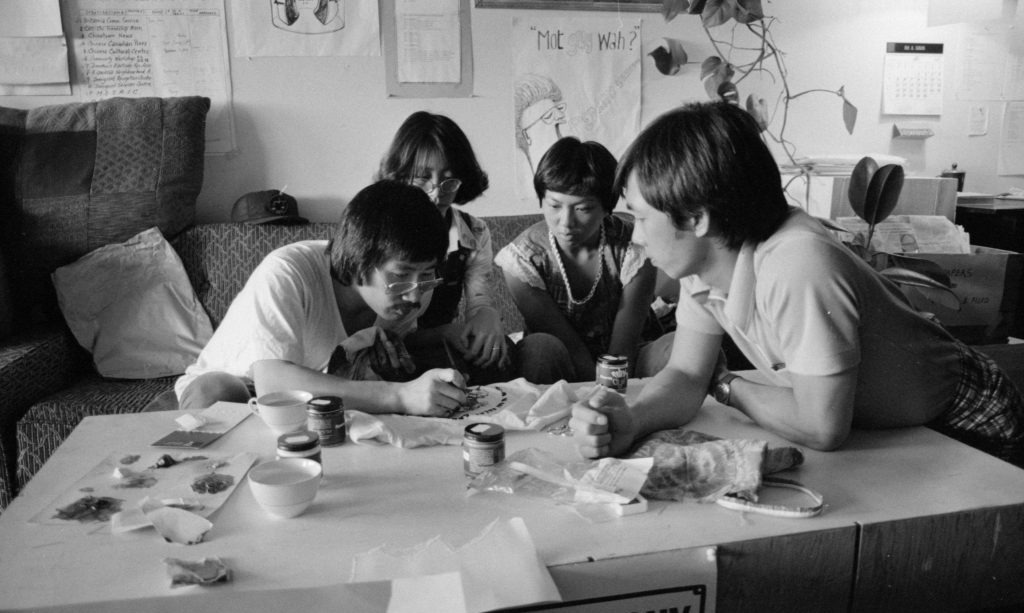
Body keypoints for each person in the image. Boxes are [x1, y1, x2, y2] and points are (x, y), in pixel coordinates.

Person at [571, 101, 1024, 462]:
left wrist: (726, 384)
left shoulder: (798, 261)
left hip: (963, 415)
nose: (636, 234)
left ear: (697, 218)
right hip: (891, 429)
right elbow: (688, 374)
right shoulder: (705, 264)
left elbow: (821, 426)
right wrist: (631, 417)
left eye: (641, 217)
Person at [174, 180, 467, 416]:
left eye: (427, 275)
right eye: (401, 276)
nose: (415, 293)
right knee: (218, 391)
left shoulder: (413, 294)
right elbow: (272, 384)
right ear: (361, 260)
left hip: (319, 401)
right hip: (236, 390)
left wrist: (449, 336)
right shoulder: (289, 271)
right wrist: (400, 396)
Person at [495, 136, 671, 384]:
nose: (566, 222)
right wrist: (592, 396)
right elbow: (561, 339)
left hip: (630, 356)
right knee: (540, 348)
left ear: (606, 207)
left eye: (583, 209)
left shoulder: (635, 244)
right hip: (563, 362)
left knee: (675, 348)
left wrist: (608, 396)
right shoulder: (522, 259)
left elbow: (625, 342)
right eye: (554, 205)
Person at [376, 111, 512, 384]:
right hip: (393, 351)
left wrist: (487, 316)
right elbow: (384, 333)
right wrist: (442, 333)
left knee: (532, 350)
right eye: (422, 177)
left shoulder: (473, 232)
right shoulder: (379, 229)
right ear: (400, 176)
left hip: (449, 342)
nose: (436, 192)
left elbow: (480, 299)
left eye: (449, 180)